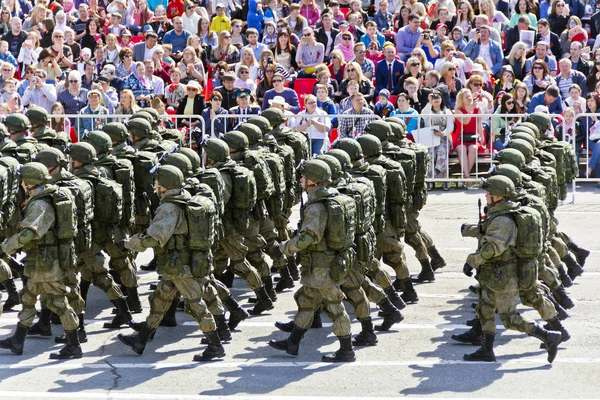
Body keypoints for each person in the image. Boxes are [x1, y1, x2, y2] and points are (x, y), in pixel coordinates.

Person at [118, 165, 226, 362]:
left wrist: (128, 244)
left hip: (180, 267)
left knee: (196, 305)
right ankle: (140, 340)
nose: (155, 185)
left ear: (165, 185)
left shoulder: (169, 208)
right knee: (159, 300)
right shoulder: (183, 196)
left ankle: (216, 345)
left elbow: (154, 238)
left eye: (157, 182)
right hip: (176, 265)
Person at [458, 175, 562, 363]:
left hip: (504, 277)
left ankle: (548, 336)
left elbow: (492, 248)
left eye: (489, 192)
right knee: (485, 309)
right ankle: (487, 350)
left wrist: (472, 261)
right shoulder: (498, 214)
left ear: (498, 196)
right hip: (493, 274)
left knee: (510, 319)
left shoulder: (503, 221)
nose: (486, 194)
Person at [269, 159, 356, 363]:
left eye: (304, 177)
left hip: (322, 267)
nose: (301, 180)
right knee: (307, 301)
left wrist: (284, 249)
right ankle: (293, 342)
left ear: (314, 181)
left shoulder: (317, 207)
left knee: (335, 306)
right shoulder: (329, 197)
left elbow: (308, 237)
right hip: (321, 264)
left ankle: (346, 349)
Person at [0, 162, 82, 360]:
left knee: (59, 303)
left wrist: (5, 247)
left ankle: (74, 345)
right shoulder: (43, 197)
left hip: (47, 264)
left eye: (22, 181)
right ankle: (17, 341)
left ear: (29, 182)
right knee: (28, 298)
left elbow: (29, 232)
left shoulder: (40, 204)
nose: (20, 184)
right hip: (40, 261)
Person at [421, 90, 454, 189]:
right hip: (430, 139)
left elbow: (450, 126)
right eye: (434, 97)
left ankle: (444, 179)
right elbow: (423, 115)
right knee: (430, 153)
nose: (436, 99)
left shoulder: (447, 111)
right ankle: (429, 180)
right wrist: (429, 102)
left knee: (441, 152)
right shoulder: (428, 110)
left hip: (443, 138)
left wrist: (443, 133)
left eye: (438, 97)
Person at [453, 88, 483, 189]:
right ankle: (468, 178)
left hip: (473, 136)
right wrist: (470, 110)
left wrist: (482, 136)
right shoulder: (457, 110)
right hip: (460, 136)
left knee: (473, 148)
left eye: (470, 96)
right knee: (461, 149)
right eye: (466, 97)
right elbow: (465, 121)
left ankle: (466, 176)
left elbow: (479, 124)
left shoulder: (477, 108)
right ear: (461, 99)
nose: (469, 98)